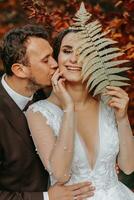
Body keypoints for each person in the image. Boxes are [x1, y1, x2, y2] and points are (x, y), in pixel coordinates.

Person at [26, 28, 134, 200]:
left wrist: (122, 118)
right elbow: (61, 175)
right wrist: (68, 108)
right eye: (67, 51)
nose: (74, 59)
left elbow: (128, 166)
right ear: (57, 57)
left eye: (84, 52)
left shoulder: (108, 104)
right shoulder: (39, 112)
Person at [0, 25, 95, 200]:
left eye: (52, 55)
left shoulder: (44, 92)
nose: (54, 64)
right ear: (20, 70)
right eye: (45, 60)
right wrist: (45, 197)